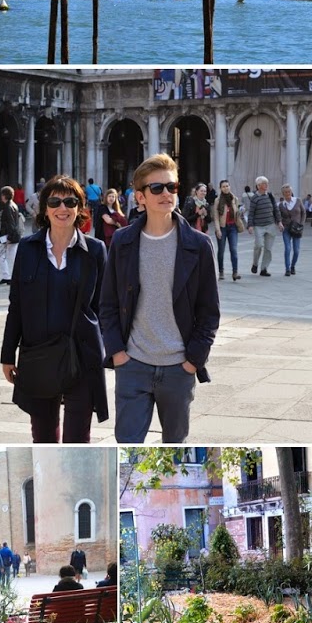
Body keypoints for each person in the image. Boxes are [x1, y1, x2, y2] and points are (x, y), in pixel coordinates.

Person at [100, 152, 220, 445]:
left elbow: (209, 311)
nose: (166, 193)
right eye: (157, 188)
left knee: (175, 447)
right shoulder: (123, 241)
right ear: (140, 197)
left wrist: (193, 360)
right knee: (127, 443)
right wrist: (118, 353)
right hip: (133, 364)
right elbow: (108, 303)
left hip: (179, 367)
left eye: (172, 187)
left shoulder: (198, 245)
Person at [0, 174, 108, 444]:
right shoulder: (27, 249)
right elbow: (17, 305)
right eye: (55, 202)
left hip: (82, 355)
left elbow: (104, 308)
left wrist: (108, 351)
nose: (63, 208)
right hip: (39, 354)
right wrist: (7, 354)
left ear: (80, 208)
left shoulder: (95, 250)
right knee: (44, 438)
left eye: (70, 202)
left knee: (78, 440)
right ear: (45, 209)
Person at [247, 176, 280, 275]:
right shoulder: (254, 198)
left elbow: (275, 209)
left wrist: (279, 222)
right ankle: (255, 264)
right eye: (264, 183)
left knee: (268, 249)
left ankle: (264, 269)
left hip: (270, 225)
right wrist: (250, 225)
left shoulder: (270, 196)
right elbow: (251, 213)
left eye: (267, 183)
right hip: (259, 226)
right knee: (259, 245)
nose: (266, 185)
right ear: (258, 186)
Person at [213, 180, 242, 281]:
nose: (226, 188)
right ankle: (221, 271)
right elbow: (216, 217)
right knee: (221, 251)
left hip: (233, 227)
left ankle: (235, 272)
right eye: (223, 186)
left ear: (230, 187)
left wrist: (240, 212)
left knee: (233, 249)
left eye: (227, 186)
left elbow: (236, 212)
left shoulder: (234, 198)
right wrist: (218, 230)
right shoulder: (217, 200)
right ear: (220, 188)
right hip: (222, 227)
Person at [0, 185, 23, 285]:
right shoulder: (13, 205)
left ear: (4, 196)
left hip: (7, 235)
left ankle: (7, 276)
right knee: (13, 255)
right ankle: (13, 276)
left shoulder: (8, 207)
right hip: (13, 234)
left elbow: (10, 223)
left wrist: (9, 238)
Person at [278, 184, 305, 276]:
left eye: (289, 191)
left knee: (296, 250)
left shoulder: (298, 200)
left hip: (297, 228)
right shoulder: (281, 205)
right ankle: (287, 269)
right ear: (283, 194)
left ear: (291, 192)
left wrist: (301, 224)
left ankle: (293, 266)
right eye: (285, 192)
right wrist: (279, 223)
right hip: (286, 228)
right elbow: (278, 217)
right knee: (287, 248)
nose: (287, 193)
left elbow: (303, 213)